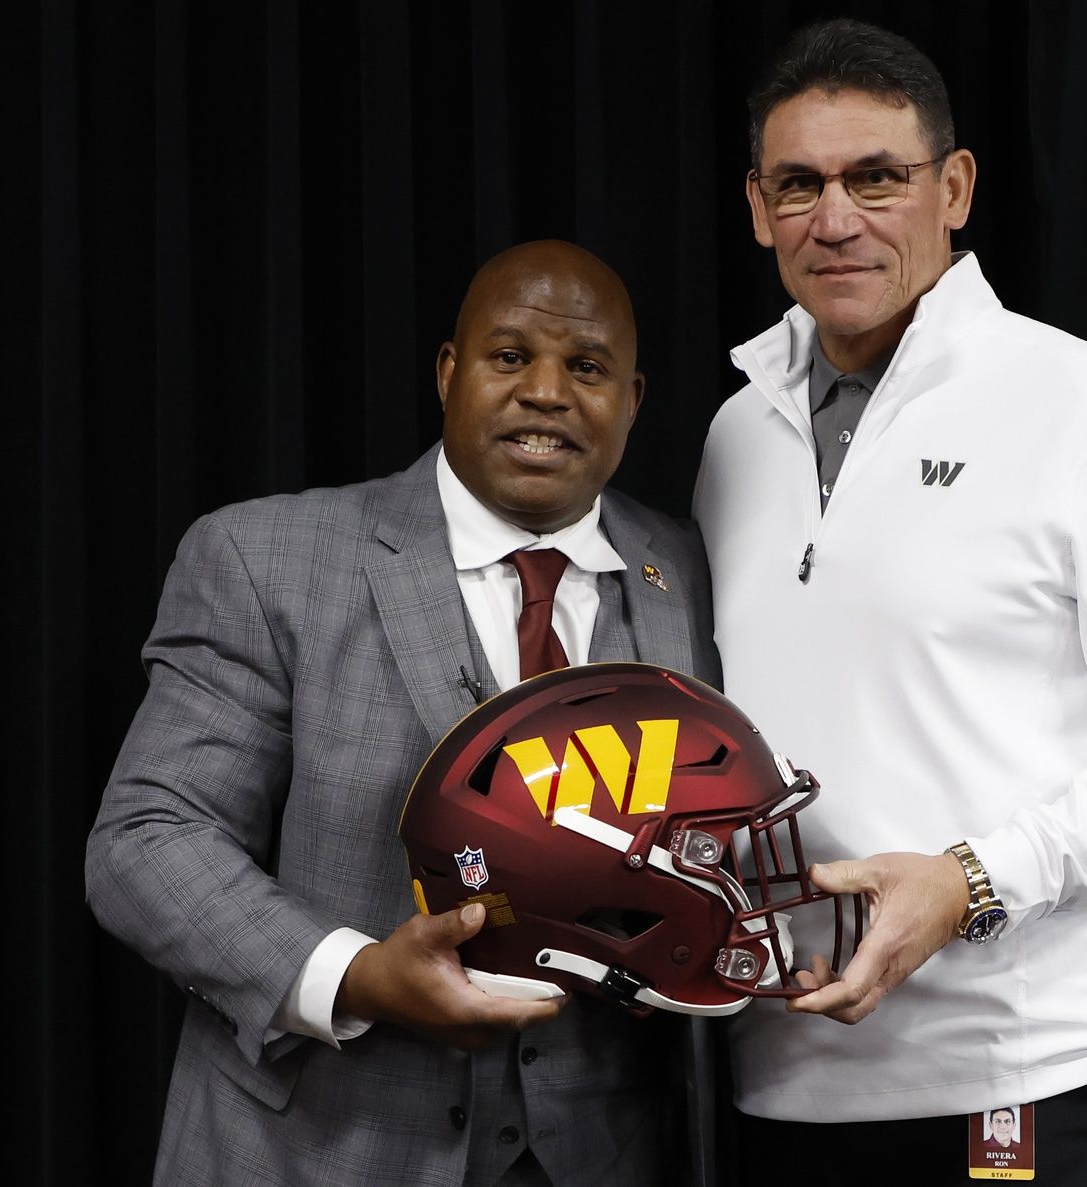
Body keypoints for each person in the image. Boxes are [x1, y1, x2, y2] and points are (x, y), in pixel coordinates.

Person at [692, 19, 1087, 1186]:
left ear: (952, 188)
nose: (836, 218)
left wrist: (972, 880)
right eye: (798, 185)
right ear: (758, 209)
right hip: (781, 1075)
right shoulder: (734, 432)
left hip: (1033, 1066)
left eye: (877, 177)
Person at [87, 239, 720, 1186]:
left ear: (631, 400)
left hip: (607, 1151)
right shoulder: (266, 558)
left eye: (585, 367)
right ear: (448, 372)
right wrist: (353, 975)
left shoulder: (690, 572)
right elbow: (146, 837)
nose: (546, 391)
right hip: (317, 1148)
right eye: (510, 357)